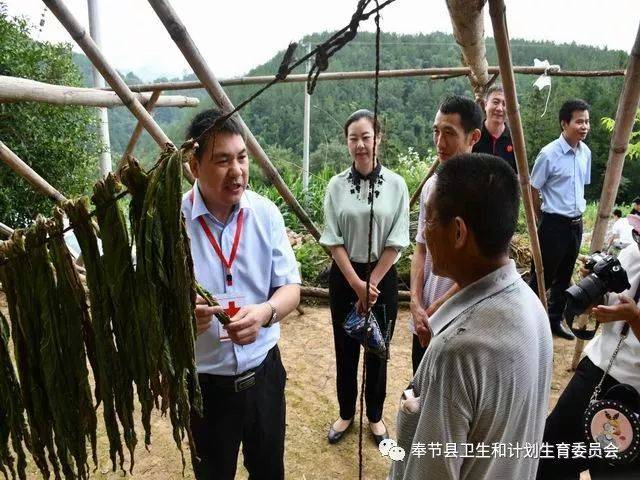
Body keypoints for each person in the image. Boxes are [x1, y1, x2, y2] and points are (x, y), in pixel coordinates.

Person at [390, 153, 553, 480]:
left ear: (459, 232)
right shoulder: (533, 307)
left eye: (431, 219)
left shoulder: (457, 351)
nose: (424, 231)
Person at [183, 109, 301, 480]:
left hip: (263, 374)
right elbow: (145, 306)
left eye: (242, 157)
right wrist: (182, 317)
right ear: (194, 165)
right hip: (205, 385)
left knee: (268, 471)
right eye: (222, 160)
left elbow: (291, 288)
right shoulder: (171, 224)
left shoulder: (265, 214)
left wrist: (265, 312)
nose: (236, 171)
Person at [320, 109, 410, 446]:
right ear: (347, 143)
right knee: (345, 348)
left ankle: (375, 415)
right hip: (345, 277)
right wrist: (357, 284)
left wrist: (371, 283)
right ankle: (346, 413)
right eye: (353, 138)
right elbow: (333, 238)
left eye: (365, 137)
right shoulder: (336, 185)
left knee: (378, 350)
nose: (359, 144)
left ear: (378, 139)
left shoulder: (397, 185)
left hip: (382, 278)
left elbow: (398, 238)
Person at [536, 214, 640, 479]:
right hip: (595, 371)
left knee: (613, 472)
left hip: (633, 395)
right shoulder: (633, 253)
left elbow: (627, 314)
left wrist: (634, 318)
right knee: (551, 456)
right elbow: (607, 299)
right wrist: (591, 287)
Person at [410, 95, 482, 373]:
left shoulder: (482, 193)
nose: (440, 143)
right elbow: (420, 249)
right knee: (417, 385)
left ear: (473, 136)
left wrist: (435, 310)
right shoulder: (431, 188)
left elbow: (478, 271)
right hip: (424, 316)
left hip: (460, 316)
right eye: (436, 131)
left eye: (449, 133)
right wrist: (416, 303)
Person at [529, 99, 592, 340]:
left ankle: (554, 321)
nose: (584, 126)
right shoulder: (549, 154)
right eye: (579, 121)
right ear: (564, 123)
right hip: (553, 224)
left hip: (576, 224)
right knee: (541, 276)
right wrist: (539, 218)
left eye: (586, 121)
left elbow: (579, 187)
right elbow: (533, 188)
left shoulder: (585, 152)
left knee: (564, 278)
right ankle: (530, 324)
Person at [472, 85, 517, 173]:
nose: (500, 108)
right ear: (485, 104)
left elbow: (518, 175)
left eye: (504, 104)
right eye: (496, 102)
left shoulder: (515, 140)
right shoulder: (473, 135)